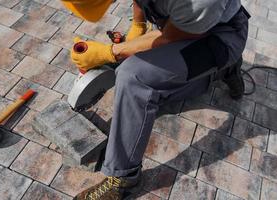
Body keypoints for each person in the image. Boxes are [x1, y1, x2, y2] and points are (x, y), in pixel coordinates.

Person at [61, 0, 250, 199]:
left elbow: (170, 37)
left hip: (218, 37)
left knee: (133, 76)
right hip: (187, 25)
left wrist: (111, 52)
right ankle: (220, 72)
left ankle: (124, 177)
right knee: (149, 81)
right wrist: (138, 26)